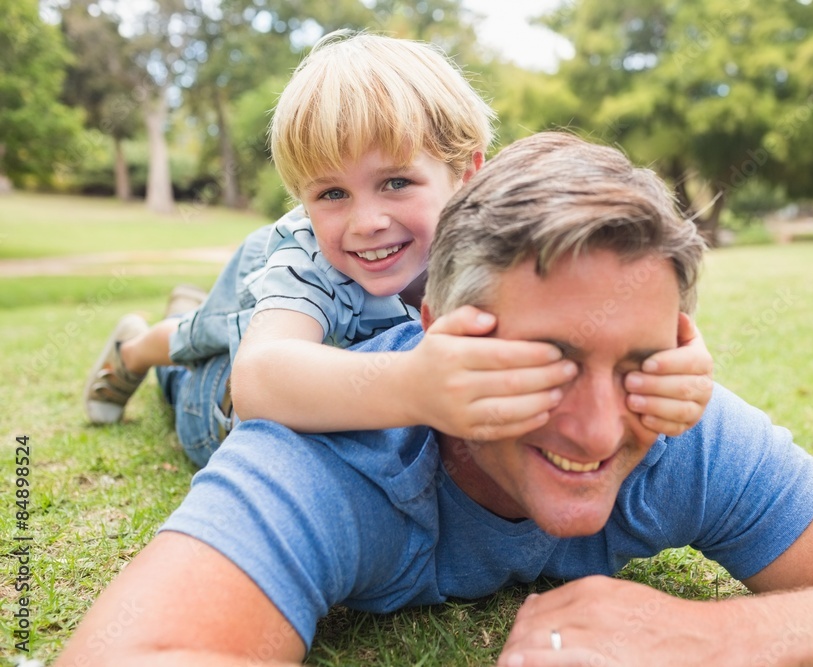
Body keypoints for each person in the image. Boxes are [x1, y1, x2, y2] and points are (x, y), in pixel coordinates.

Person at [57, 133, 813, 666]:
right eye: (543, 364)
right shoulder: (328, 450)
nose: (598, 427)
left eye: (637, 361)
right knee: (198, 366)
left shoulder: (675, 417)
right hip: (227, 387)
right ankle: (164, 337)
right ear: (440, 332)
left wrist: (718, 639)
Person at [82, 32, 713, 468]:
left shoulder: (495, 238)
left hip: (300, 326)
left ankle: (186, 311)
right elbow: (259, 378)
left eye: (395, 182)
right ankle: (136, 348)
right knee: (204, 338)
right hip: (222, 401)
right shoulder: (310, 258)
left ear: (466, 174)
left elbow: (596, 299)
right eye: (331, 193)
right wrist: (415, 385)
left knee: (219, 322)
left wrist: (673, 359)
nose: (366, 222)